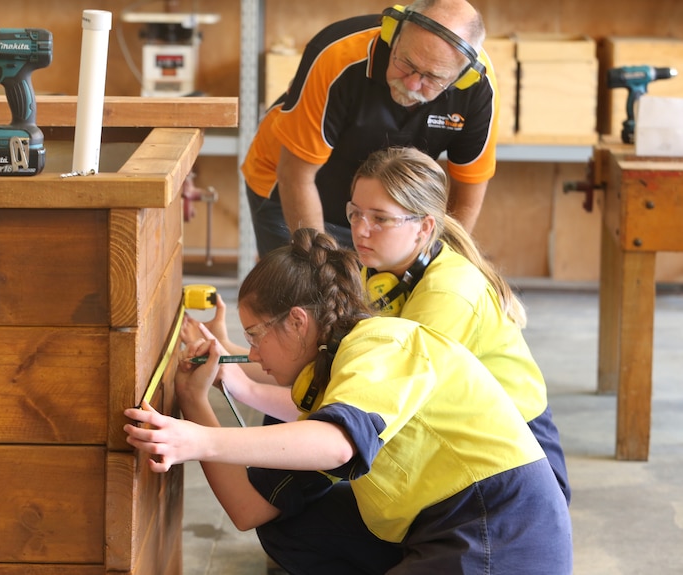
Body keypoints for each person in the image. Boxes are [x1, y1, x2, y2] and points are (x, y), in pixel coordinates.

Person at [125, 228, 573, 575]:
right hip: (441, 526)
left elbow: (337, 444)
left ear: (298, 322)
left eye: (255, 336)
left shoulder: (379, 344)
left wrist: (197, 441)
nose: (253, 355)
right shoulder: (324, 379)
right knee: (292, 524)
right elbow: (250, 508)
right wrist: (193, 400)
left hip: (499, 526)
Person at [183, 145, 571, 504]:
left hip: (511, 462)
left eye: (381, 218)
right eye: (355, 213)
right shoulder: (382, 269)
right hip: (456, 448)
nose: (361, 230)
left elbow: (357, 407)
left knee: (304, 473)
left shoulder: (448, 296)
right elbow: (318, 366)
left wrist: (243, 389)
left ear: (424, 227)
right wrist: (230, 356)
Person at [242, 0, 499, 257]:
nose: (411, 84)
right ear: (393, 36)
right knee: (306, 291)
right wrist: (319, 270)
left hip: (382, 212)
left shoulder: (479, 89)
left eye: (431, 77)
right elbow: (295, 176)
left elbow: (468, 191)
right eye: (405, 62)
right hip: (289, 186)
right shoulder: (337, 56)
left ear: (461, 78)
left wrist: (442, 263)